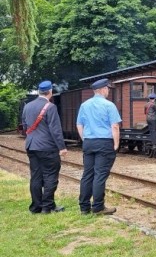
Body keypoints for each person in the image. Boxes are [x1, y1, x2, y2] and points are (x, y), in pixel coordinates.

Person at [21, 80, 68, 214]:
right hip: (47, 148)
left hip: (31, 146)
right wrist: (62, 147)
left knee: (35, 176)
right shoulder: (50, 107)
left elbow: (25, 126)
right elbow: (55, 129)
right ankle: (47, 207)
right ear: (50, 92)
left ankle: (36, 207)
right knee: (50, 176)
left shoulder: (27, 106)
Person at [76, 78, 122, 215]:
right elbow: (115, 126)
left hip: (89, 142)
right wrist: (116, 143)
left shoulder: (84, 105)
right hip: (104, 143)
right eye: (107, 88)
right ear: (102, 89)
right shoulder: (109, 105)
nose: (108, 91)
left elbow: (79, 125)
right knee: (100, 175)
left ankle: (84, 207)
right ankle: (98, 207)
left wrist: (85, 138)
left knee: (87, 174)